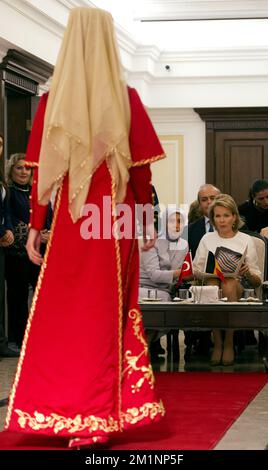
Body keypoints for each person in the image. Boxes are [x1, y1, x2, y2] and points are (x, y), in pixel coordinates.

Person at [5, 7, 165, 449]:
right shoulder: (126, 97)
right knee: (106, 313)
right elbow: (140, 174)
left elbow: (41, 174)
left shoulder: (52, 101)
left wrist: (37, 227)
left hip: (73, 226)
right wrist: (146, 221)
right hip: (114, 223)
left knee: (62, 315)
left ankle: (66, 410)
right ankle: (97, 415)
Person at [193, 194, 261, 366]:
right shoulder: (207, 239)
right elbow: (196, 270)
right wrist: (208, 271)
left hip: (238, 284)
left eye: (226, 215)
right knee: (213, 284)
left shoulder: (245, 240)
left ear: (234, 217)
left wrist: (246, 272)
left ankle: (229, 342)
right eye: (217, 216)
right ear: (213, 219)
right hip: (211, 281)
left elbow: (257, 280)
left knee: (229, 283)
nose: (222, 220)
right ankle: (218, 342)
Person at [5, 154, 51, 348]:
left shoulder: (38, 192)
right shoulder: (8, 193)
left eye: (27, 168)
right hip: (17, 255)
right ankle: (18, 340)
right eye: (19, 168)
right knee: (18, 298)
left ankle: (41, 337)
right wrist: (39, 235)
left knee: (43, 297)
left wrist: (48, 233)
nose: (24, 172)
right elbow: (12, 222)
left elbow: (49, 218)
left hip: (40, 254)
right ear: (11, 170)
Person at [183, 184, 220, 357]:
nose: (209, 202)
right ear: (199, 204)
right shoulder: (189, 230)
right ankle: (199, 338)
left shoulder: (233, 225)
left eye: (213, 198)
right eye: (204, 200)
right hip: (198, 276)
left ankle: (223, 341)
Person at [0, 133, 17, 358]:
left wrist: (9, 229)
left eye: (1, 143)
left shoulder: (1, 177)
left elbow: (5, 209)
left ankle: (2, 340)